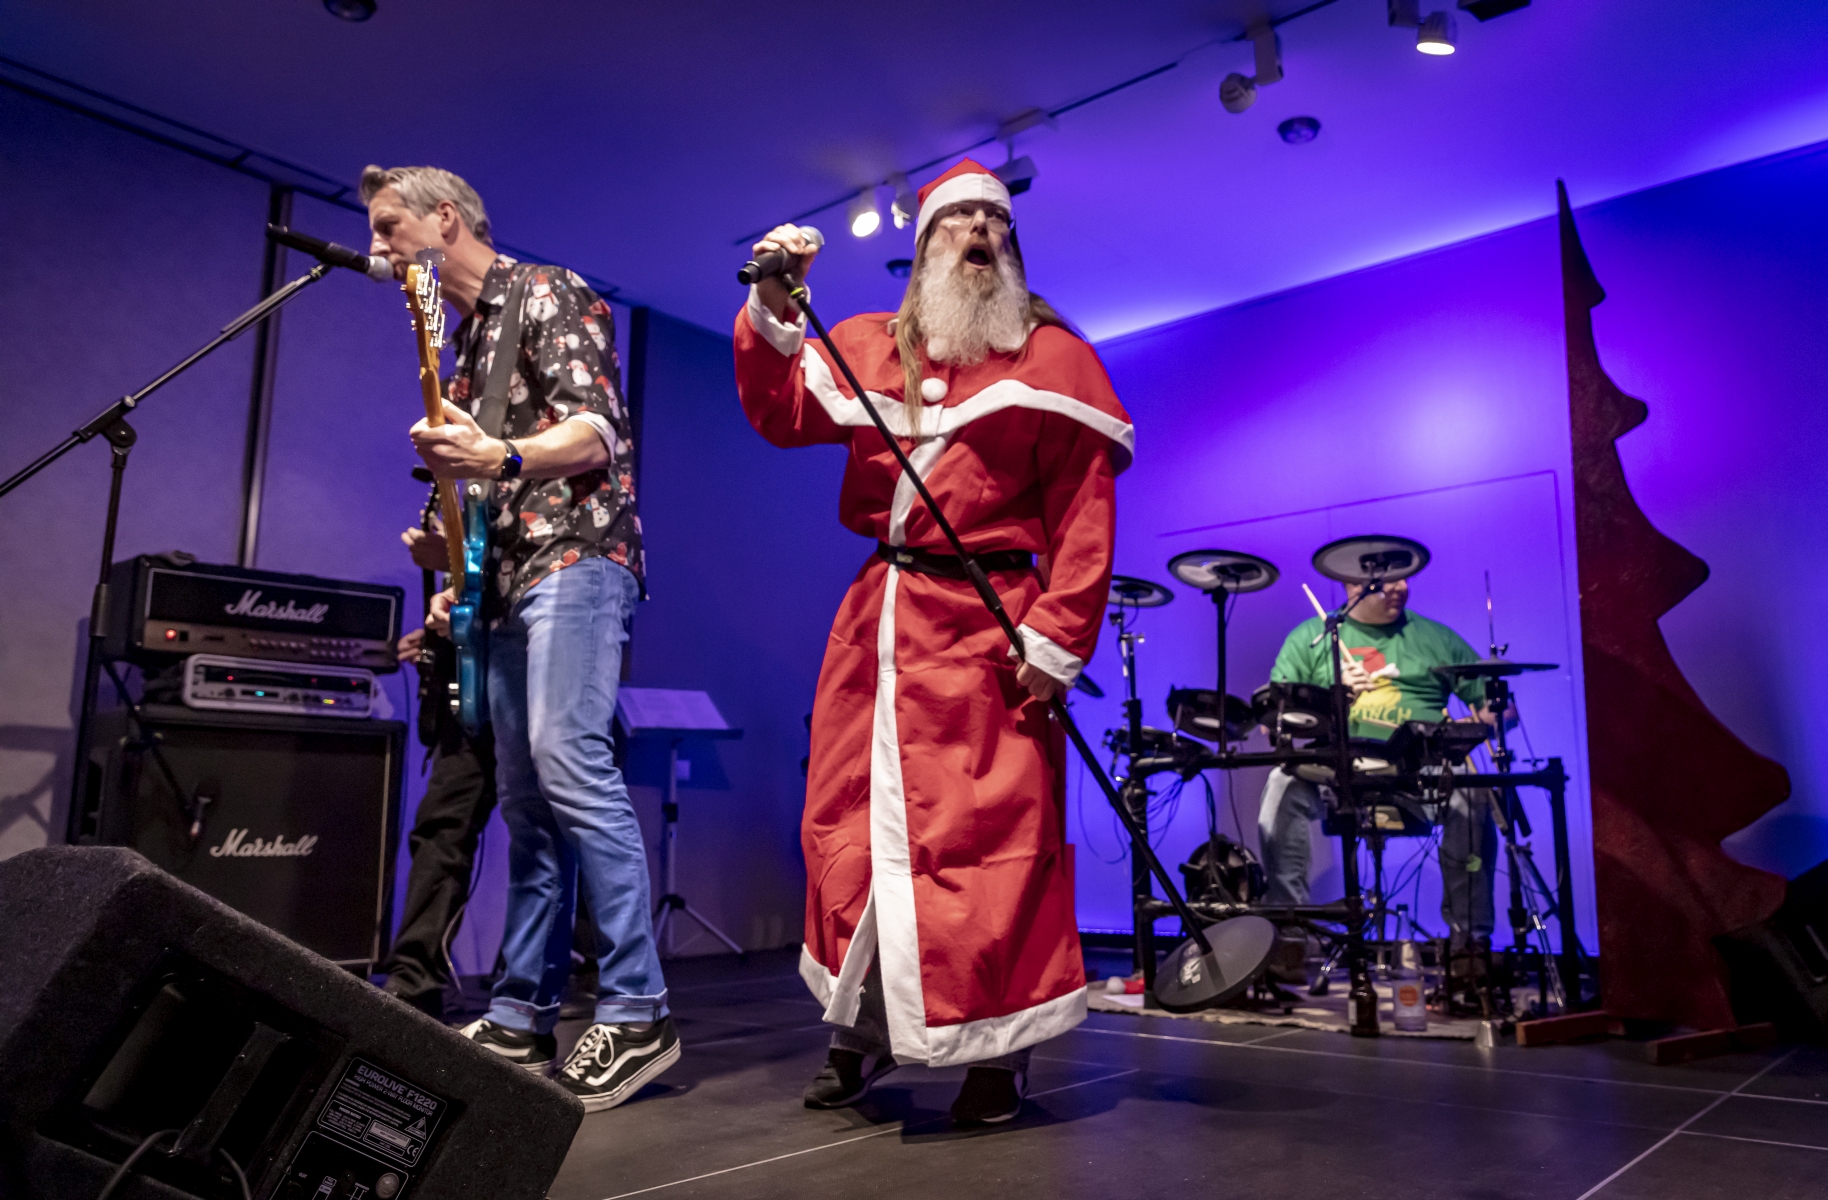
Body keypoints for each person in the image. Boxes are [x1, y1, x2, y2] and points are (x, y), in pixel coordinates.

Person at [734, 159, 1134, 1126]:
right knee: (859, 835)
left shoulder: (1054, 360)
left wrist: (1056, 639)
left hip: (992, 634)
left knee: (994, 844)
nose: (978, 233)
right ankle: (859, 1033)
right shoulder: (871, 346)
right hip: (878, 630)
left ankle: (996, 1056)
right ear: (923, 250)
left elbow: (1085, 516)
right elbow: (782, 411)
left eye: (992, 222)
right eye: (957, 222)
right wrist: (776, 304)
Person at [365, 163, 677, 1112]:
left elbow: (596, 433)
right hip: (501, 580)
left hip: (575, 557)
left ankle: (638, 1009)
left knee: (569, 761)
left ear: (444, 219)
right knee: (526, 801)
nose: (376, 249)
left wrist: (498, 455)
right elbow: (485, 486)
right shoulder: (464, 347)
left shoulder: (547, 290)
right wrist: (448, 555)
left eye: (388, 227)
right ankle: (520, 1012)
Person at [1255, 575, 1503, 995]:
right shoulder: (1312, 637)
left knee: (1472, 789)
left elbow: (1500, 711)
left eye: (1404, 575)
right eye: (1386, 578)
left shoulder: (1435, 637)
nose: (1400, 586)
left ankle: (1469, 943)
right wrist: (1333, 698)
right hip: (1338, 770)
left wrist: (1467, 725)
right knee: (1281, 784)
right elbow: (1271, 725)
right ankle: (1288, 938)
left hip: (1418, 769)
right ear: (1352, 583)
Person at [379, 488, 498, 1022]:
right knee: (442, 826)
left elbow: (530, 579)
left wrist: (453, 557)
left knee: (555, 830)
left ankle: (557, 975)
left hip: (528, 677)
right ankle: (414, 979)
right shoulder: (466, 490)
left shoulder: (531, 474)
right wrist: (434, 637)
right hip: (471, 690)